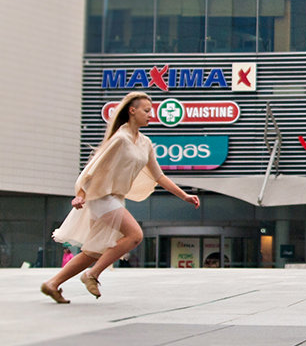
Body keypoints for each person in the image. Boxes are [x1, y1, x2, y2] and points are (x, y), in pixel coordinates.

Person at [40, 92, 200, 304]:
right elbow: (93, 166)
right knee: (135, 235)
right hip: (101, 197)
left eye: (150, 112)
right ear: (132, 111)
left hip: (115, 198)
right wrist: (81, 194)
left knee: (93, 251)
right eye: (146, 111)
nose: (150, 115)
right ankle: (91, 275)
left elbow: (158, 176)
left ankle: (52, 283)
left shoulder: (145, 143)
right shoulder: (120, 139)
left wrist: (184, 196)